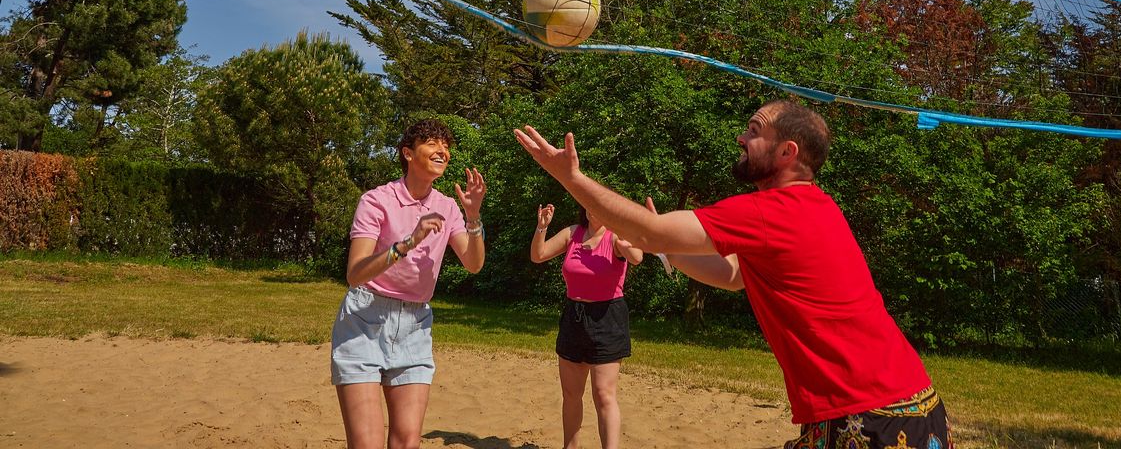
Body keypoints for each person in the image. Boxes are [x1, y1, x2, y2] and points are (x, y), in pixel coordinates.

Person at [515, 100, 953, 449]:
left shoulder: (770, 210)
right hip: (911, 404)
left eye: (754, 131)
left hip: (869, 416)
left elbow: (648, 230)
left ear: (787, 152)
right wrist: (664, 246)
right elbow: (733, 275)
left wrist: (571, 178)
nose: (741, 137)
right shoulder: (818, 206)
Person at [331, 118, 487, 449]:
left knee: (407, 441)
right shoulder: (376, 200)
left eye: (446, 146)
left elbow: (473, 264)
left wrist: (473, 217)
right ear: (408, 153)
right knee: (367, 443)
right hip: (364, 321)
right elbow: (355, 273)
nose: (442, 150)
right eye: (432, 143)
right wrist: (407, 243)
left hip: (416, 324)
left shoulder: (447, 207)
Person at [530, 202, 643, 449]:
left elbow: (637, 258)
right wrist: (542, 227)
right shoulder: (573, 233)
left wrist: (625, 239)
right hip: (574, 317)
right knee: (571, 395)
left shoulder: (615, 237)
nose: (593, 209)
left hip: (607, 318)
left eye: (599, 205)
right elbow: (538, 255)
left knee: (603, 394)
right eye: (589, 203)